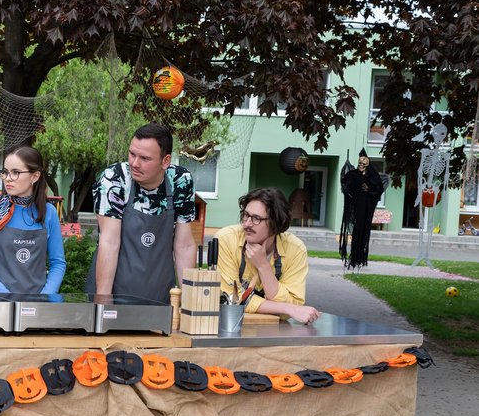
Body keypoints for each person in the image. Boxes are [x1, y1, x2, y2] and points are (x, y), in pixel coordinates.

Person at [85, 122, 197, 303]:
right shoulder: (114, 178)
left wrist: (189, 302)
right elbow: (109, 241)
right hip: (115, 293)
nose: (134, 164)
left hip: (161, 296)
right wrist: (104, 300)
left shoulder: (180, 181)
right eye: (132, 154)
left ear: (165, 161)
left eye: (144, 158)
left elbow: (184, 246)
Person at [215, 187, 321, 324]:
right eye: (246, 215)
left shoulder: (295, 249)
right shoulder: (226, 239)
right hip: (229, 327)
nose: (247, 224)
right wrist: (287, 309)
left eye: (256, 218)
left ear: (276, 222)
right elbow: (230, 298)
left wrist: (263, 266)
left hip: (275, 333)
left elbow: (295, 302)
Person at [0, 146, 66, 294]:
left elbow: (58, 263)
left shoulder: (49, 213)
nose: (8, 178)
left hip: (36, 306)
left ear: (35, 176)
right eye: (5, 172)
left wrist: (45, 297)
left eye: (16, 173)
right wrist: (4, 297)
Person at [339, 149, 385, 269]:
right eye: (359, 161)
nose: (361, 163)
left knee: (364, 231)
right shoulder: (354, 174)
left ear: (368, 162)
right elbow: (346, 182)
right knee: (357, 230)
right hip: (357, 207)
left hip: (367, 207)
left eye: (364, 161)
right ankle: (354, 258)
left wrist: (369, 190)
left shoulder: (372, 175)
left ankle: (360, 258)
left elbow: (378, 189)